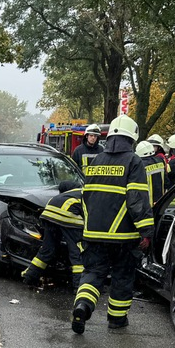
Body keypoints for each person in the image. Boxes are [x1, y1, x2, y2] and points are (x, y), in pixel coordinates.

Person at [72, 115, 153, 334]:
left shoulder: (97, 160)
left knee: (92, 273)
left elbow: (85, 196)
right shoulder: (133, 161)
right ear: (132, 137)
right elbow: (137, 199)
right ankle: (116, 320)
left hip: (93, 233)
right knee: (122, 276)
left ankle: (82, 306)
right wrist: (146, 231)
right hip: (122, 236)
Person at [23, 179, 85, 289]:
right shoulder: (86, 193)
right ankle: (79, 286)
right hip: (67, 214)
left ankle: (30, 277)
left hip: (49, 212)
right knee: (77, 252)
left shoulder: (67, 194)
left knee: (47, 249)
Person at [136, 140, 166, 207]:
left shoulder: (140, 165)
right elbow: (166, 182)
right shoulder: (160, 161)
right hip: (160, 201)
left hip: (146, 204)